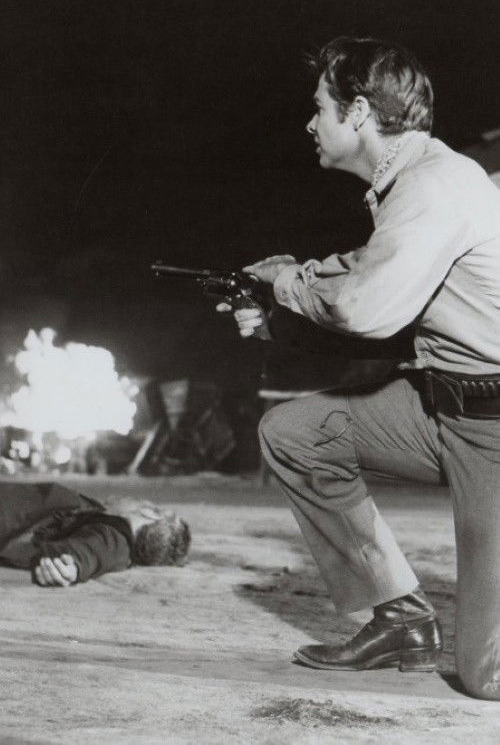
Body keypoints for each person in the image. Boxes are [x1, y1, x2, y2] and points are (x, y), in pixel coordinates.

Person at [217, 36, 500, 700]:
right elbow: (371, 286)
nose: (310, 122)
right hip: (443, 409)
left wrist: (287, 286)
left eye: (320, 106)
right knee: (296, 433)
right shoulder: (409, 183)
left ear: (361, 112)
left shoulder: (434, 185)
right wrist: (281, 296)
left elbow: (365, 309)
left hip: (494, 430)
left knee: (488, 675)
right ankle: (401, 618)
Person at [0, 481, 191, 586]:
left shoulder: (115, 540)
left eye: (141, 501)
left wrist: (72, 567)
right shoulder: (108, 527)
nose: (131, 498)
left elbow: (89, 552)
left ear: (150, 512)